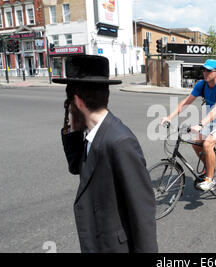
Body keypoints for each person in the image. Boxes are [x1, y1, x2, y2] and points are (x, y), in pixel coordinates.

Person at [55, 55, 158, 253]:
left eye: (69, 102)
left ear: (76, 101)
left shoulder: (120, 141)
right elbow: (76, 167)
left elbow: (142, 214)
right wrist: (72, 130)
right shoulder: (92, 134)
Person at [161, 59, 216, 191]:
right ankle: (210, 167)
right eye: (204, 70)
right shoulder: (201, 85)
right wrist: (169, 117)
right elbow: (186, 102)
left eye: (209, 70)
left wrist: (201, 125)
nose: (205, 73)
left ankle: (210, 179)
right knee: (196, 143)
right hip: (212, 121)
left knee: (208, 144)